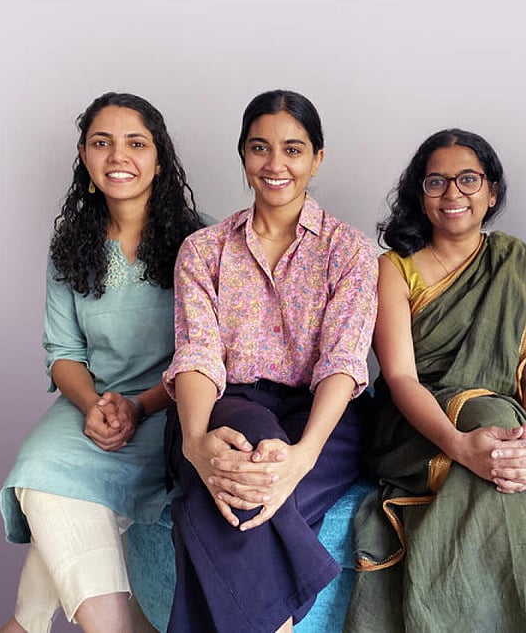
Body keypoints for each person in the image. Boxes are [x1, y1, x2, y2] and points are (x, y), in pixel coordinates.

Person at [345, 129, 526, 632]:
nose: (452, 193)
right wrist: (458, 444)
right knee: (489, 416)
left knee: (500, 425)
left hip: (509, 424)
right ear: (420, 192)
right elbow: (400, 378)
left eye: (468, 179)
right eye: (436, 181)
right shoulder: (393, 268)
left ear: (492, 191)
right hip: (417, 428)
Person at [162, 89, 378, 632]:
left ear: (317, 158)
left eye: (293, 149)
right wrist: (194, 446)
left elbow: (343, 362)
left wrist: (303, 456)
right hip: (228, 404)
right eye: (260, 148)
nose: (275, 164)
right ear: (243, 156)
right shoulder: (204, 249)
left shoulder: (349, 250)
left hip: (325, 413)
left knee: (226, 501)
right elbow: (198, 355)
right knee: (248, 451)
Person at [0, 92, 204, 632]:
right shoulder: (70, 246)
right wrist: (95, 404)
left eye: (136, 143)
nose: (119, 156)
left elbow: (205, 355)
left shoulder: (202, 241)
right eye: (102, 143)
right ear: (86, 159)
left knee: (34, 606)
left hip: (173, 410)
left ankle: (28, 626)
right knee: (40, 472)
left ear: (159, 160)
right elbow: (63, 354)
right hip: (93, 411)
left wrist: (139, 407)